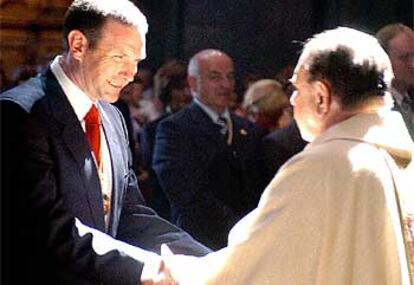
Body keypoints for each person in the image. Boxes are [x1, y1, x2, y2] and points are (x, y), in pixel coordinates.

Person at [162, 27, 414, 284]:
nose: (292, 100)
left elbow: (253, 263)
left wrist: (181, 272)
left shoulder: (321, 166)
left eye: (296, 88)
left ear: (321, 97)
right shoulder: (400, 157)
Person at [0, 1, 210, 285]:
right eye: (120, 56)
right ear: (78, 45)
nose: (131, 73)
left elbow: (129, 212)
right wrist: (151, 268)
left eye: (136, 60)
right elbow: (48, 230)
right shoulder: (18, 113)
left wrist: (207, 260)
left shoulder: (112, 116)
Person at [153, 49, 264, 250]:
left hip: (249, 244)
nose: (226, 85)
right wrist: (239, 231)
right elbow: (189, 197)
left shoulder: (249, 130)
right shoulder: (174, 130)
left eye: (230, 77)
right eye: (215, 77)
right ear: (193, 83)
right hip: (200, 245)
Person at [141, 59, 192, 221]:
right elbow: (154, 178)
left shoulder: (208, 126)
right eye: (179, 88)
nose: (187, 94)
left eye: (189, 87)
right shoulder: (152, 130)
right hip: (167, 212)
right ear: (167, 91)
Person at [376, 24, 414, 141]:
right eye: (404, 58)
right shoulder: (375, 106)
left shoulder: (410, 97)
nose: (413, 65)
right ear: (384, 60)